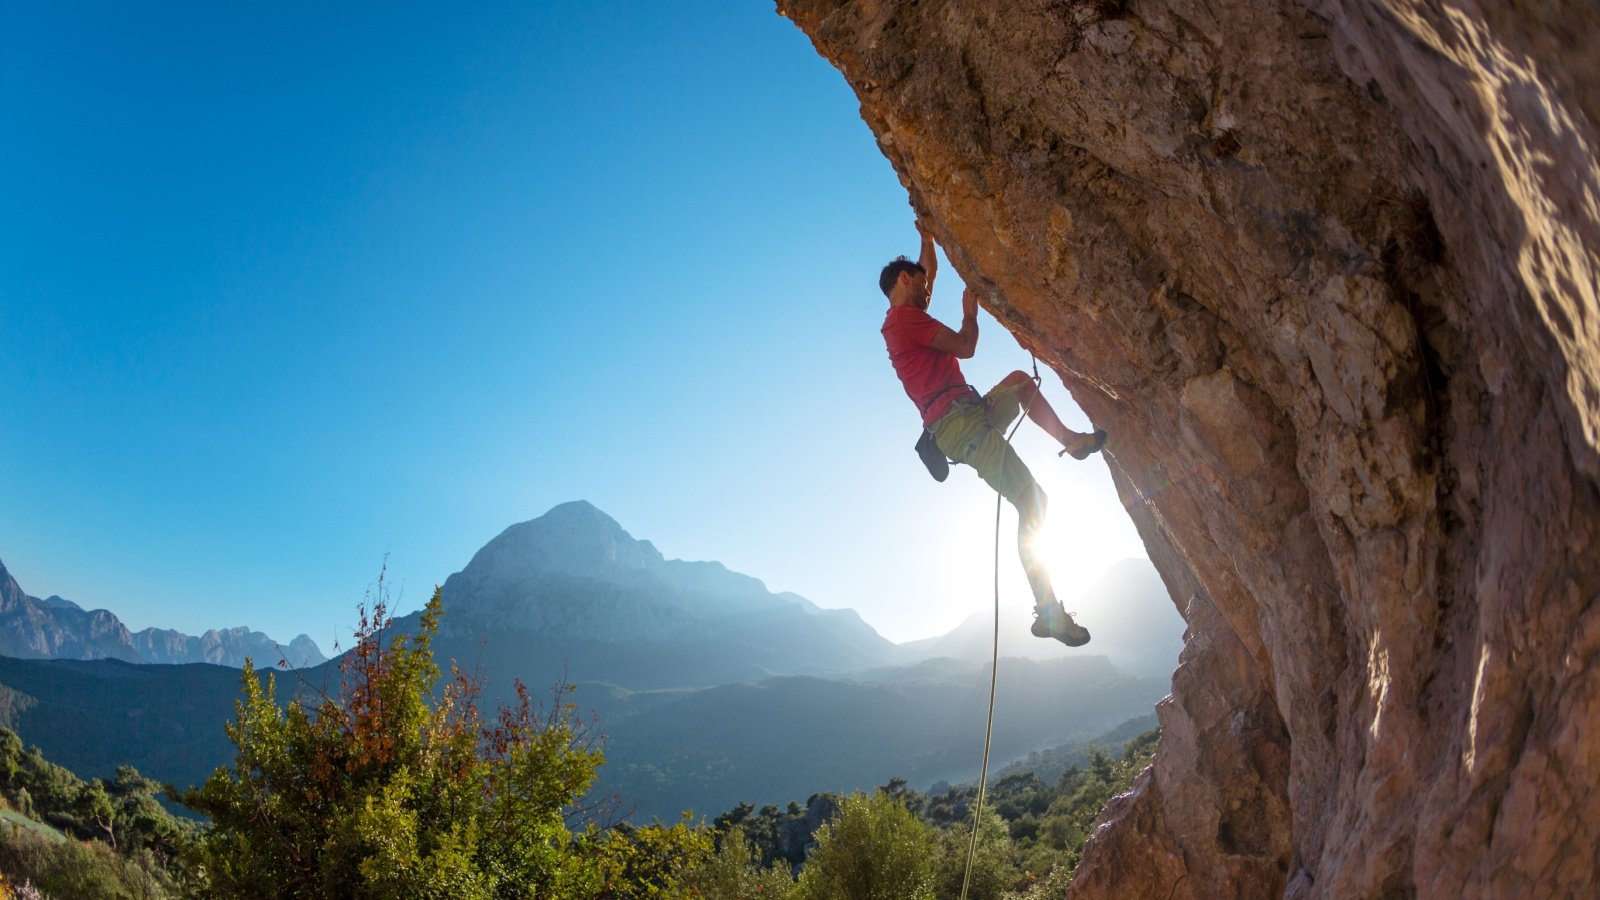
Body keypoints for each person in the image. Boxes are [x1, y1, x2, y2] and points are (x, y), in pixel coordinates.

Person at [879, 223, 1106, 646]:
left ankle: (1071, 442)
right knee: (1032, 499)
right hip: (959, 425)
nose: (929, 292)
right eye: (923, 284)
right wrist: (969, 315)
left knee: (1021, 381)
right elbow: (966, 347)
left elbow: (926, 270)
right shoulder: (902, 321)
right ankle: (1049, 612)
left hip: (966, 413)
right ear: (904, 280)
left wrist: (927, 239)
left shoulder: (906, 316)